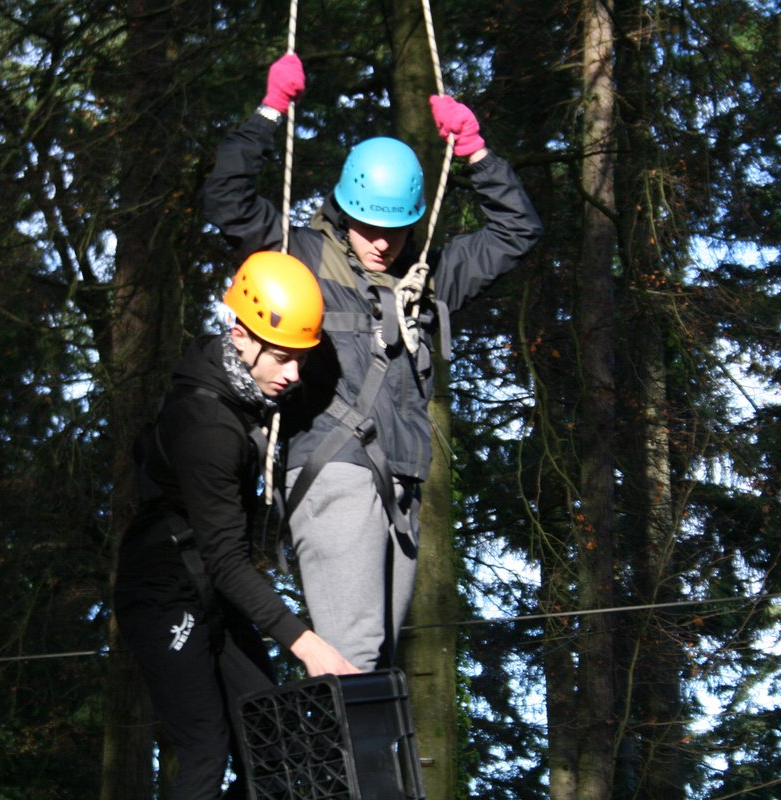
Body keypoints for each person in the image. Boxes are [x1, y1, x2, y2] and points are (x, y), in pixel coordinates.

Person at [202, 54, 543, 671]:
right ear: (343, 210)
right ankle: (349, 769)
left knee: (375, 662)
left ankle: (357, 767)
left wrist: (476, 154)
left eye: (396, 228)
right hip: (331, 470)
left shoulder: (428, 275)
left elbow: (516, 232)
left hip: (404, 484)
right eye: (367, 226)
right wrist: (268, 111)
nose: (382, 241)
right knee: (354, 657)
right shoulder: (297, 254)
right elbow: (226, 200)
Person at [113, 251, 359, 799]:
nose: (293, 373)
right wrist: (308, 645)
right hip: (164, 592)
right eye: (281, 356)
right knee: (206, 750)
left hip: (208, 585)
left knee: (268, 736)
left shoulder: (238, 378)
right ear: (239, 335)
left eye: (300, 356)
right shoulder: (207, 426)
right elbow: (226, 561)